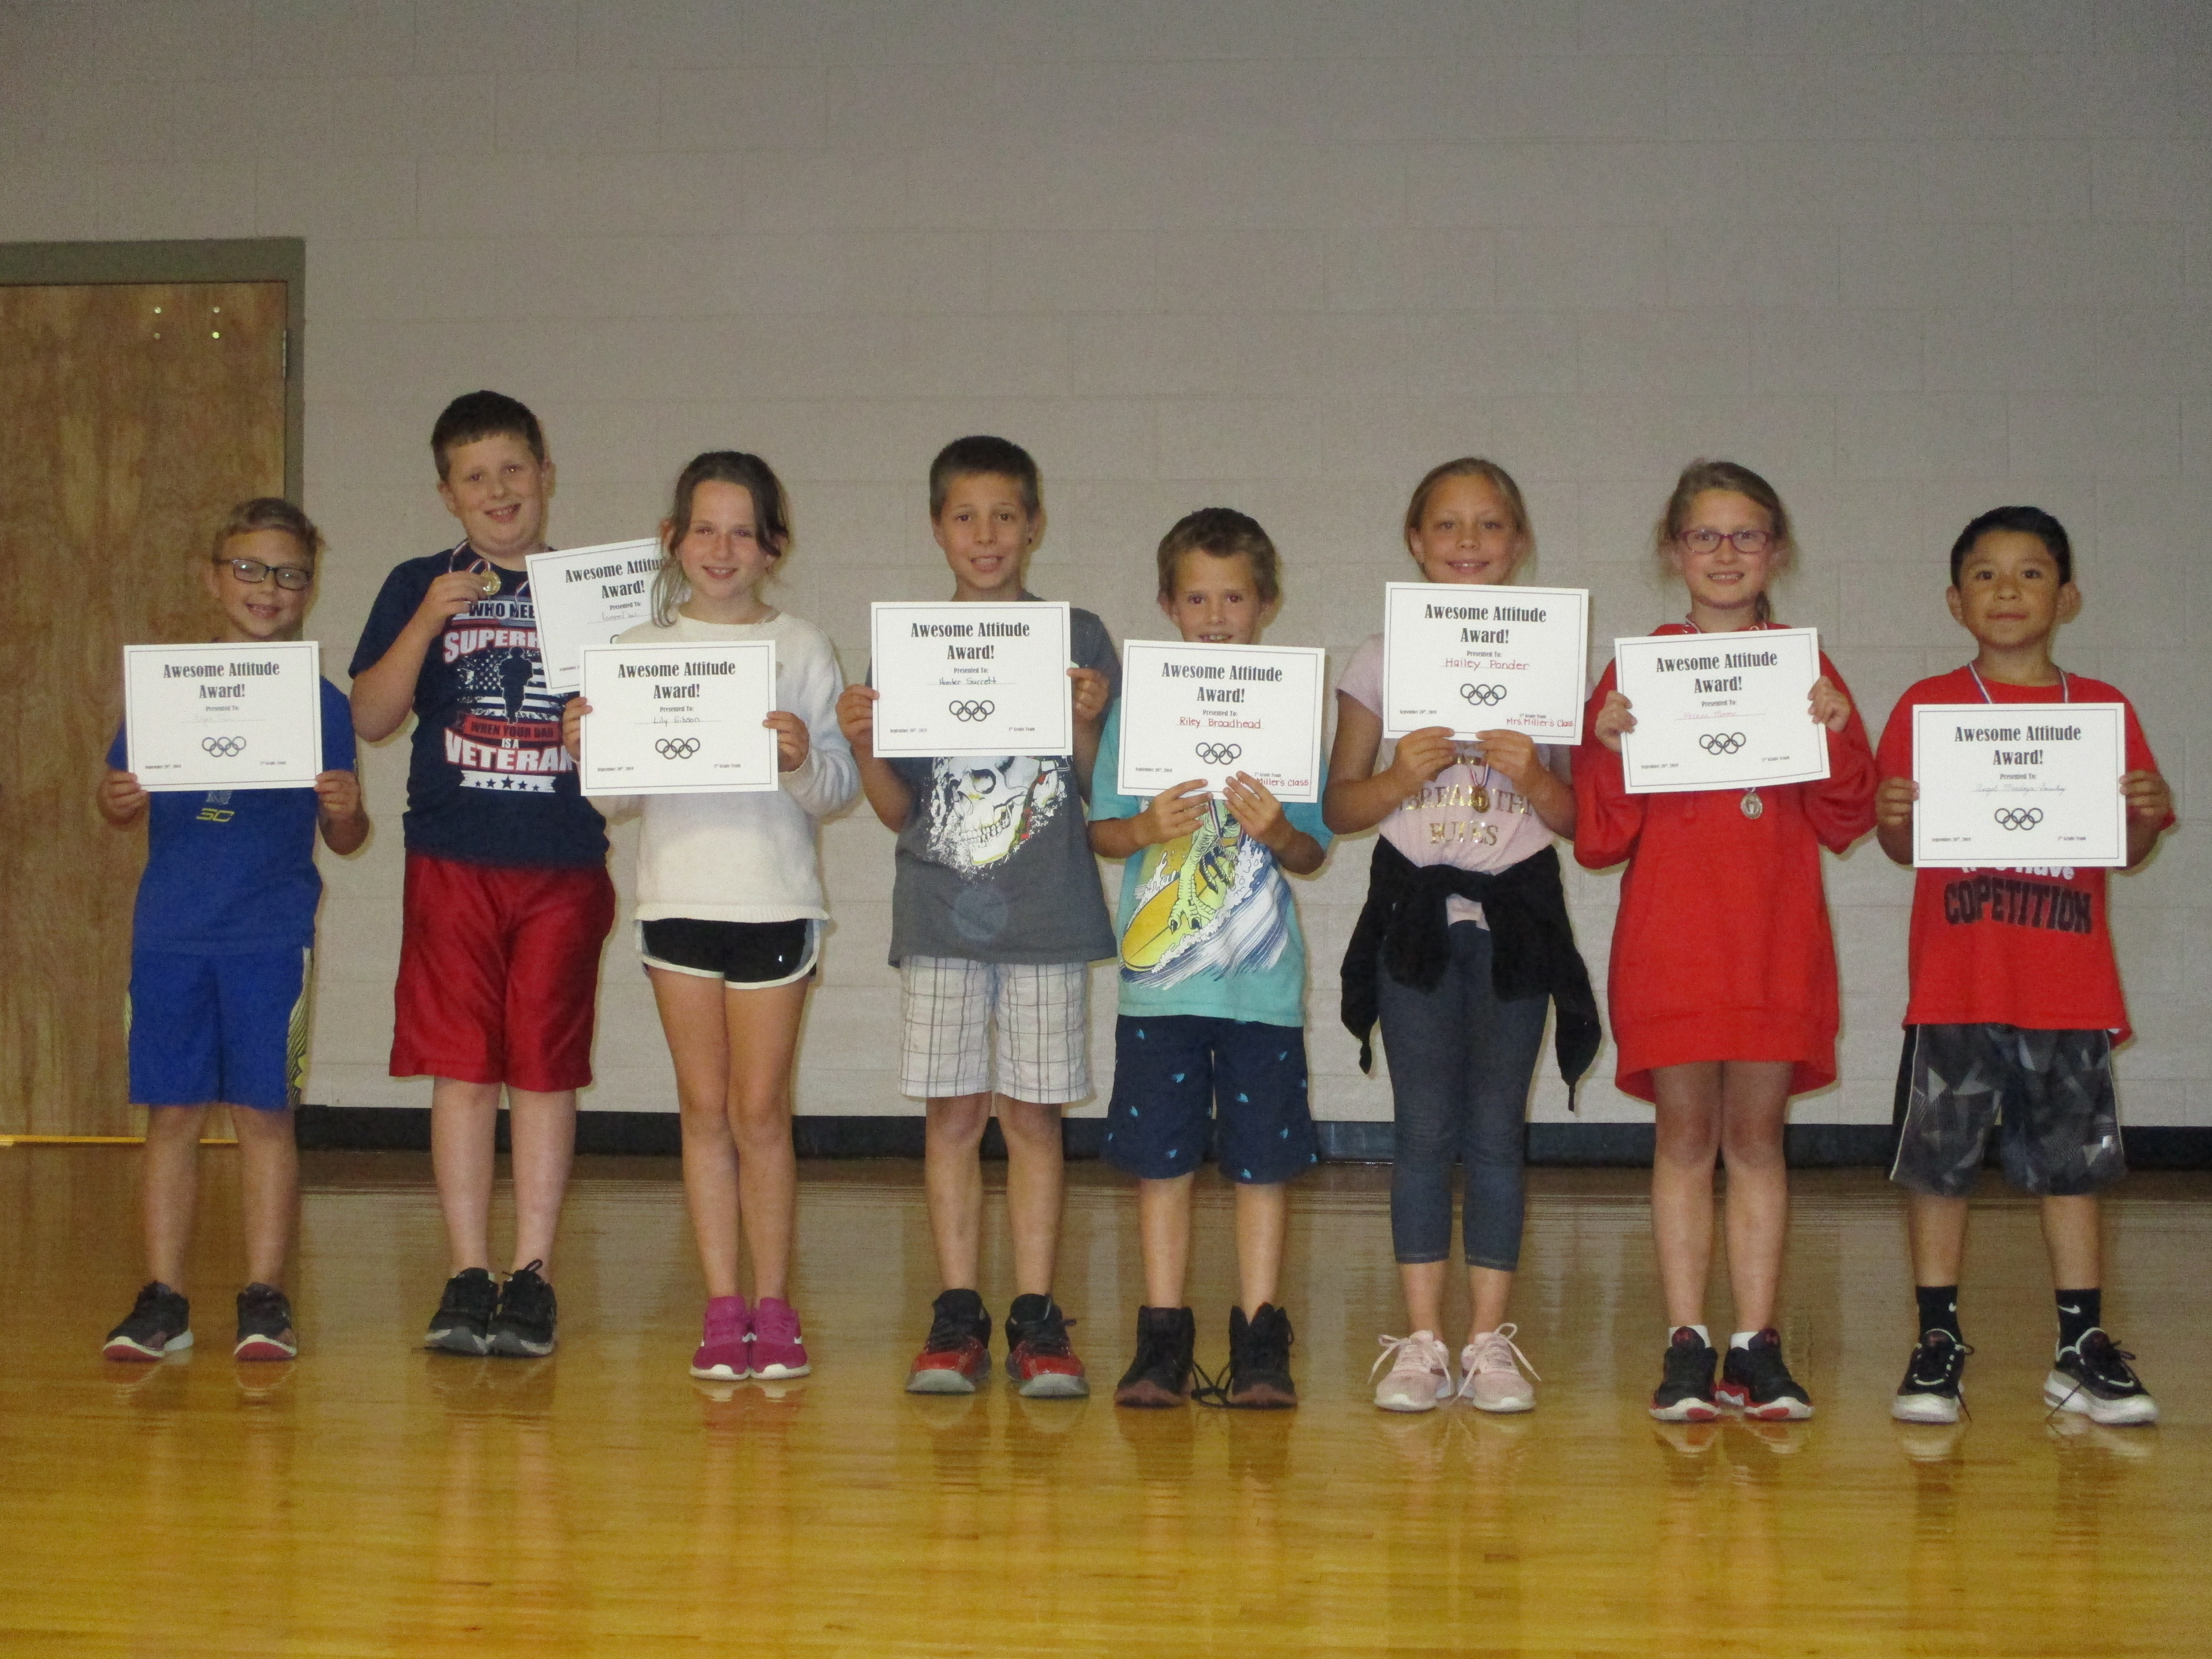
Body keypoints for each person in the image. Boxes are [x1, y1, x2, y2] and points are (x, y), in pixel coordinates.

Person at [1577, 459, 1875, 1423]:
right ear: (1674, 552)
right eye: (1704, 536)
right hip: (1671, 942)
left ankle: (1755, 1344)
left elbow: (1847, 817)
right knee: (1683, 1139)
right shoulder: (1634, 674)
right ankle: (1685, 1343)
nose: (1724, 553)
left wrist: (1838, 733)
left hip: (1773, 941)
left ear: (1775, 551)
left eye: (1745, 535)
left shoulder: (1805, 668)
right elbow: (1601, 838)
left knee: (1755, 1141)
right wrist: (1606, 746)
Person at [1873, 506, 2173, 1427]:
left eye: (2031, 573)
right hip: (1957, 981)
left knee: (2071, 1172)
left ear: (2067, 597)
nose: (2007, 591)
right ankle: (1936, 1341)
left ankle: (2079, 1348)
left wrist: (2143, 812)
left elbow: (2128, 848)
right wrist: (1893, 817)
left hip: (2066, 985)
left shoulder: (2102, 711)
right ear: (1954, 600)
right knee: (1939, 1170)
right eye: (1986, 575)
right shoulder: (1926, 707)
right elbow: (1901, 847)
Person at [562, 453, 856, 1382]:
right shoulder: (632, 649)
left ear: (773, 547)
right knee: (702, 1111)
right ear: (672, 540)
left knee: (760, 1112)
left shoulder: (801, 646)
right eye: (703, 530)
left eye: (742, 532)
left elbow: (835, 789)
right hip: (677, 903)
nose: (721, 549)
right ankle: (722, 1305)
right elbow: (614, 802)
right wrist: (587, 749)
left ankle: (775, 1305)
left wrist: (801, 759)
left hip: (774, 902)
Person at [835, 435, 1116, 1397]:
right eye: (966, 516)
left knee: (1034, 1117)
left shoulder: (1078, 638)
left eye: (1005, 515)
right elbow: (896, 810)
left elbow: (1104, 792)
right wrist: (863, 745)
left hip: (1048, 913)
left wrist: (1087, 722)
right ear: (937, 528)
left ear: (1035, 525)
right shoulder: (907, 644)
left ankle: (1037, 1315)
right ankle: (957, 1311)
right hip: (940, 910)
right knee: (952, 1114)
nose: (986, 534)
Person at [1328, 459, 1596, 1415]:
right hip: (1415, 910)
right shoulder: (1378, 656)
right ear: (1415, 540)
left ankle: (1487, 1342)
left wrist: (1536, 776)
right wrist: (1399, 777)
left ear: (1518, 542)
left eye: (1490, 525)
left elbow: (1578, 820)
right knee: (1421, 1129)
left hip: (1516, 913)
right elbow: (1339, 805)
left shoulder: (1551, 655)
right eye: (1448, 525)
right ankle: (1421, 1342)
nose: (1469, 541)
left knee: (1494, 1130)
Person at [350, 391, 615, 1358]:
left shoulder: (593, 592)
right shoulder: (416, 582)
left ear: (546, 475)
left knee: (543, 1071)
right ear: (448, 495)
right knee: (462, 1070)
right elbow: (371, 717)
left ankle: (532, 1273)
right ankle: (467, 1270)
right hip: (452, 857)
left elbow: (642, 739)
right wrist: (425, 620)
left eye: (513, 469)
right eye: (476, 477)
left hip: (561, 860)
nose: (498, 490)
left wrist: (604, 730)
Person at [99, 498, 369, 1362]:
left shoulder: (322, 705)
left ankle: (264, 1296)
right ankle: (163, 1299)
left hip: (268, 936)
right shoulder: (166, 691)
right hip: (171, 935)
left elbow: (346, 838)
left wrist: (346, 810)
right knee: (173, 1115)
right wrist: (118, 797)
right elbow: (118, 799)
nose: (267, 587)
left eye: (288, 573)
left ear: (308, 588)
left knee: (264, 1115)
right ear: (213, 578)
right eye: (248, 569)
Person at [1089, 508, 1331, 1409]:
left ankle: (1260, 1342)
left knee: (1261, 1169)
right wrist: (1145, 826)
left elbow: (1311, 851)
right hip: (1161, 990)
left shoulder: (1289, 715)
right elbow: (1104, 830)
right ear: (1167, 605)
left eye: (1234, 598)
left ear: (1265, 604)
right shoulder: (1136, 713)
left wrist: (1278, 832)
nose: (1217, 616)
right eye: (1197, 598)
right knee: (1162, 1167)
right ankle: (1162, 1340)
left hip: (1260, 988)